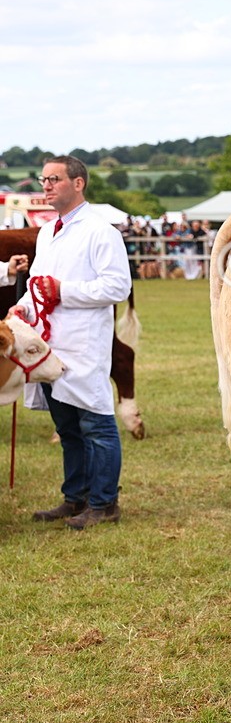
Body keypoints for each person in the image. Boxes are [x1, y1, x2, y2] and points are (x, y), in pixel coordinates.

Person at [20, 155, 132, 530]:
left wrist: (63, 291)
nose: (46, 185)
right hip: (49, 344)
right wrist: (20, 310)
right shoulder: (46, 231)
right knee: (67, 427)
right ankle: (76, 497)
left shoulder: (101, 231)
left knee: (96, 424)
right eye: (43, 179)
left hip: (83, 343)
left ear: (78, 183)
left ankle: (104, 503)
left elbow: (118, 286)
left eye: (54, 179)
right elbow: (37, 283)